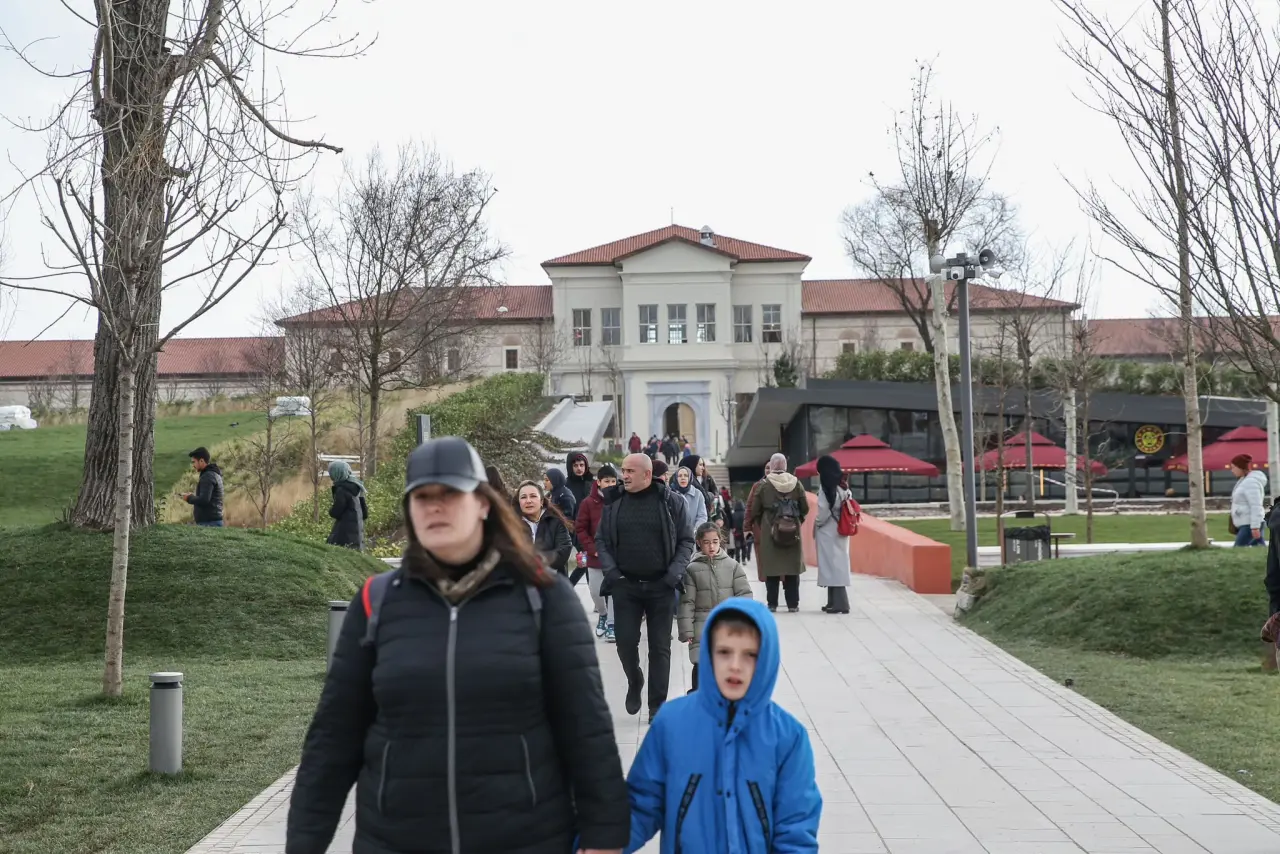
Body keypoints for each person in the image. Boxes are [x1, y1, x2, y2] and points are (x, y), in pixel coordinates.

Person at [287, 436, 629, 854]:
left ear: (483, 503)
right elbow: (333, 738)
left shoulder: (545, 599)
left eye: (450, 494)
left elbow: (587, 729)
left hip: (523, 838)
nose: (435, 506)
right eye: (422, 496)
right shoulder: (376, 603)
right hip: (395, 840)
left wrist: (606, 837)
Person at [624, 599, 822, 853]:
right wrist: (601, 845)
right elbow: (640, 806)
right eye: (724, 652)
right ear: (708, 654)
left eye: (750, 655)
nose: (736, 666)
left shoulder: (788, 737)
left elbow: (796, 829)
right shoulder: (672, 724)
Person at [597, 453, 695, 718]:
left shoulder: (672, 502)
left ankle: (656, 705)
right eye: (623, 470)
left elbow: (687, 541)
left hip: (661, 586)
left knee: (660, 647)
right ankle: (634, 679)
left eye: (630, 471)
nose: (624, 475)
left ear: (647, 475)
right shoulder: (614, 502)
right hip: (624, 585)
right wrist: (613, 574)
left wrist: (672, 576)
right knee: (625, 643)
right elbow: (602, 541)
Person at [679, 522, 752, 693]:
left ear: (721, 541)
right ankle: (697, 698)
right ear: (699, 543)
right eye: (706, 542)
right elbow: (686, 602)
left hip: (727, 624)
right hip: (700, 625)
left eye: (715, 541)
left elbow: (744, 594)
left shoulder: (733, 566)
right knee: (700, 664)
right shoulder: (692, 569)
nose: (711, 546)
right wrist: (686, 630)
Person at [749, 453, 809, 612]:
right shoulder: (796, 483)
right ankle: (793, 604)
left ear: (772, 466)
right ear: (785, 466)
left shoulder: (764, 485)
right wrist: (796, 521)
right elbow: (805, 508)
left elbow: (754, 509)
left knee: (771, 569)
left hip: (770, 530)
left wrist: (763, 523)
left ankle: (772, 604)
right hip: (792, 531)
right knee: (792, 569)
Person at [576, 463, 619, 641]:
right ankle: (602, 614)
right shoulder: (588, 503)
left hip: (616, 557)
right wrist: (591, 548)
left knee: (615, 591)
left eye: (613, 481)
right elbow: (580, 528)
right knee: (596, 591)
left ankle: (611, 624)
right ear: (599, 482)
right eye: (606, 481)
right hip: (595, 557)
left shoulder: (621, 499)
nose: (610, 484)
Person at [814, 455, 853, 615]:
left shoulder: (827, 489)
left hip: (828, 532)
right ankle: (834, 602)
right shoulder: (843, 486)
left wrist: (816, 523)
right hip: (841, 531)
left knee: (831, 568)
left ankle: (839, 604)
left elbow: (823, 512)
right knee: (838, 566)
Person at [515, 480, 574, 573]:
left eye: (533, 496)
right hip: (522, 580)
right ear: (519, 502)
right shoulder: (512, 524)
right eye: (523, 497)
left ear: (541, 501)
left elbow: (564, 549)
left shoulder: (555, 521)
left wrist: (537, 560)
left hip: (552, 579)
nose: (528, 501)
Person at [326, 460, 368, 551]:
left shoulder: (342, 490)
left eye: (331, 474)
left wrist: (330, 510)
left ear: (337, 473)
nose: (331, 477)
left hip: (344, 534)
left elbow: (336, 512)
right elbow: (365, 514)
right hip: (357, 535)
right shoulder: (358, 487)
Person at [1230, 454, 1267, 547]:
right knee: (1259, 548)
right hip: (1247, 523)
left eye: (1233, 467)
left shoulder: (1251, 482)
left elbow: (1256, 505)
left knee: (1238, 550)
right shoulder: (1244, 481)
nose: (1232, 470)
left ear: (1241, 467)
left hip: (1249, 524)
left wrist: (1255, 527)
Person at [183, 446, 224, 527]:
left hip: (209, 523)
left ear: (201, 461)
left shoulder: (207, 476)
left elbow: (204, 500)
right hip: (213, 521)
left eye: (194, 462)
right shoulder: (213, 474)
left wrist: (189, 498)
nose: (193, 465)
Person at [671, 464, 708, 532]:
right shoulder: (670, 493)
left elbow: (702, 516)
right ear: (676, 478)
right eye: (680, 476)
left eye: (686, 475)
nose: (683, 478)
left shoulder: (698, 494)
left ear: (690, 478)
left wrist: (695, 530)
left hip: (693, 535)